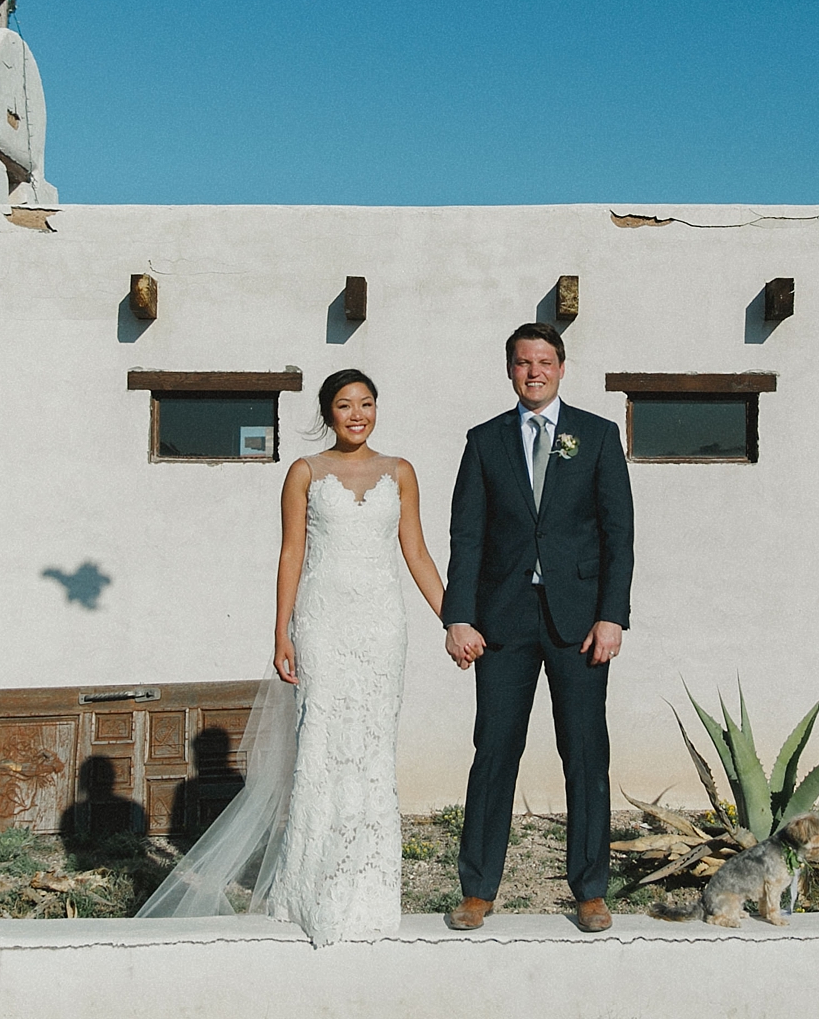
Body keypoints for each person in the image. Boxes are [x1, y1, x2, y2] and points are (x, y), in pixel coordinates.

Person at [137, 368, 449, 946]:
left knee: (372, 753)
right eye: (344, 404)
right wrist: (281, 633)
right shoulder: (304, 472)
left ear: (377, 409)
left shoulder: (400, 472)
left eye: (366, 404)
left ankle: (369, 895)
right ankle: (313, 891)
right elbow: (290, 554)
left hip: (382, 629)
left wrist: (454, 620)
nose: (357, 414)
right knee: (324, 750)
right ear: (327, 412)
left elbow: (419, 553)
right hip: (323, 625)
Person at [442, 322, 635, 934]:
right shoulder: (484, 441)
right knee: (494, 752)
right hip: (502, 621)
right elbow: (466, 536)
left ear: (561, 366)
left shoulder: (598, 437)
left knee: (584, 754)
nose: (534, 372)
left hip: (579, 623)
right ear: (509, 369)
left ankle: (590, 891)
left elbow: (618, 535)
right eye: (523, 362)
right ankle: (477, 890)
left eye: (545, 361)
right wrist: (458, 616)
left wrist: (612, 615)